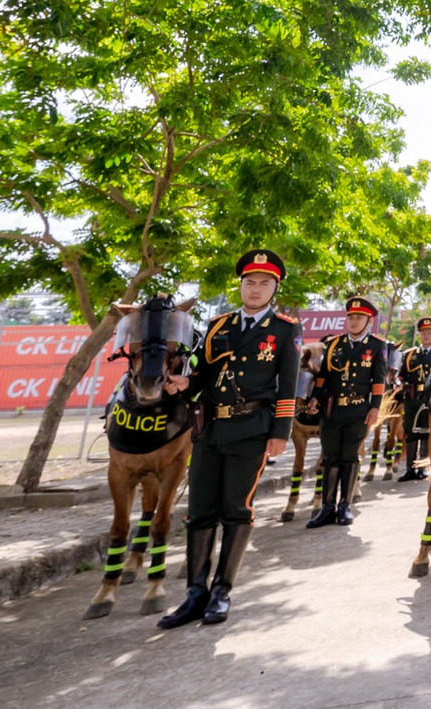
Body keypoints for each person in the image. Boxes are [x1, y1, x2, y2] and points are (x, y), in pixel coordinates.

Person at [158, 249, 300, 629]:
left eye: (264, 284)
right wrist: (185, 382)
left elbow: (287, 385)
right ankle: (194, 593)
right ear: (240, 285)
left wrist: (280, 432)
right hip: (210, 430)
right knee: (200, 509)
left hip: (252, 429)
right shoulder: (219, 326)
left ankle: (221, 591)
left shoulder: (285, 329)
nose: (255, 289)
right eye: (249, 282)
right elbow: (203, 375)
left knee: (236, 508)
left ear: (274, 288)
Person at [305, 295, 387, 527]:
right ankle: (327, 507)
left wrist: (374, 408)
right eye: (351, 317)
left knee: (350, 457)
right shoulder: (333, 344)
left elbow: (378, 381)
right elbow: (323, 377)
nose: (353, 321)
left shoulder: (376, 345)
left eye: (359, 317)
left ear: (368, 320)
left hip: (358, 410)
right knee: (330, 457)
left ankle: (345, 506)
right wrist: (314, 399)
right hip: (331, 411)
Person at [397, 316, 431, 483]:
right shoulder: (409, 354)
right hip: (412, 397)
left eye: (429, 332)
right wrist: (400, 386)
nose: (426, 335)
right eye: (423, 333)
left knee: (427, 433)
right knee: (411, 433)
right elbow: (400, 376)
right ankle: (410, 469)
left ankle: (422, 468)